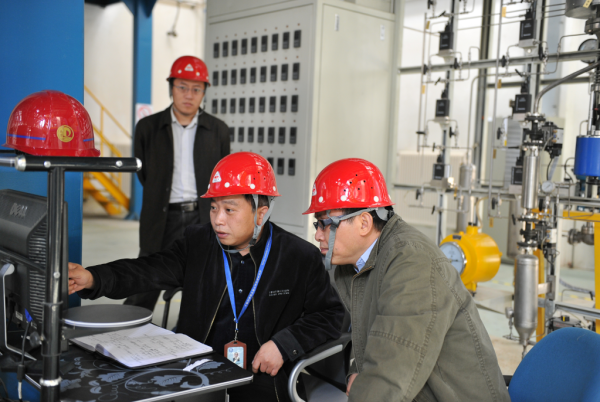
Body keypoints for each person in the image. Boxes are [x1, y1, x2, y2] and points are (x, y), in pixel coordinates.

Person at [69, 152, 345, 402]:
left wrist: (284, 346)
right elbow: (148, 269)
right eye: (214, 207)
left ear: (260, 212)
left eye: (229, 209)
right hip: (196, 371)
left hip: (261, 379)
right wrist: (94, 278)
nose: (218, 220)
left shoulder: (298, 257)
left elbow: (329, 314)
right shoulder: (198, 242)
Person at [304, 158, 511, 402]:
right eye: (317, 224)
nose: (318, 235)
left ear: (364, 223)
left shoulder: (412, 263)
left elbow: (389, 373)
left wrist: (367, 380)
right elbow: (377, 339)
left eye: (325, 224)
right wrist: (358, 370)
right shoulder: (358, 265)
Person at [126, 55, 230, 311]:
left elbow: (221, 177)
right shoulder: (148, 127)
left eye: (196, 89)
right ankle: (130, 328)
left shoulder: (218, 130)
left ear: (204, 92)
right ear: (171, 88)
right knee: (147, 278)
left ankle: (192, 330)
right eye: (182, 87)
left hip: (202, 216)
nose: (188, 95)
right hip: (162, 217)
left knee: (203, 280)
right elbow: (144, 174)